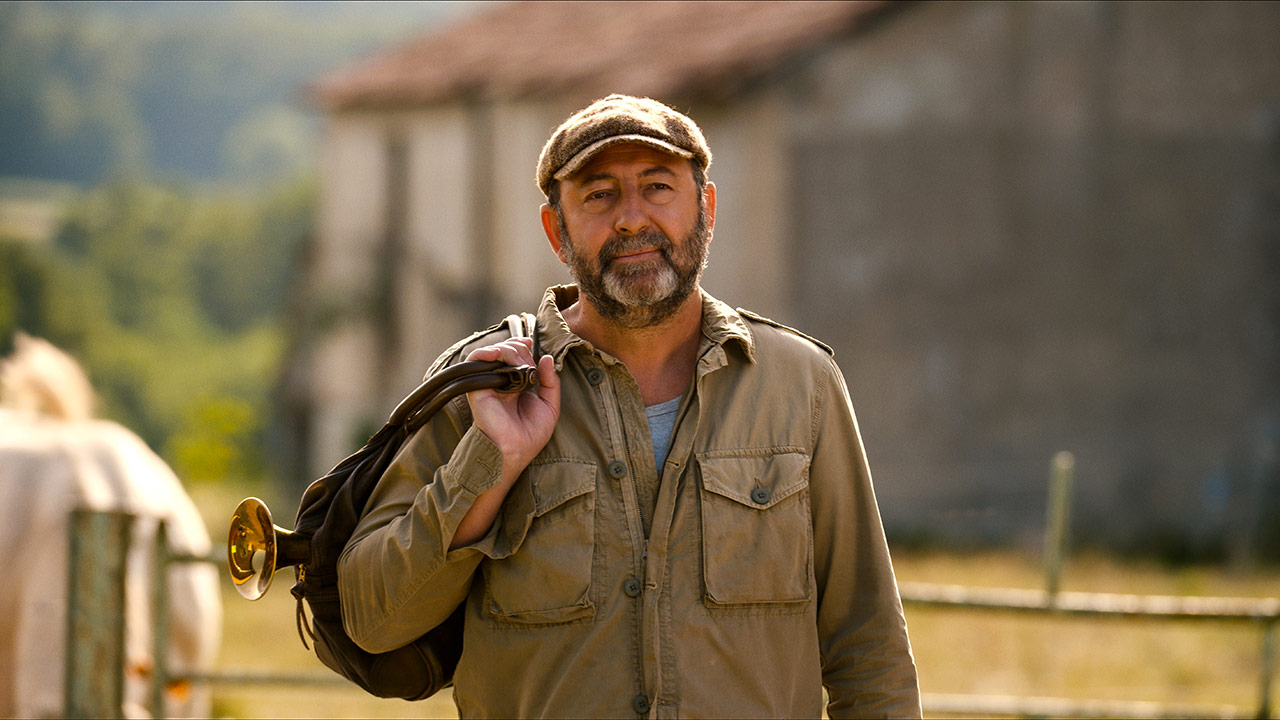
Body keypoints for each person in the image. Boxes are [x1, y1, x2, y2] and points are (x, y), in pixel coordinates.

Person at [339, 94, 921, 718]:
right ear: (555, 230)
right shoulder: (480, 389)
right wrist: (489, 463)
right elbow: (373, 620)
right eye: (599, 194)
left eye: (658, 186)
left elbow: (871, 653)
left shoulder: (801, 386)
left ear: (707, 208)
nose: (630, 218)